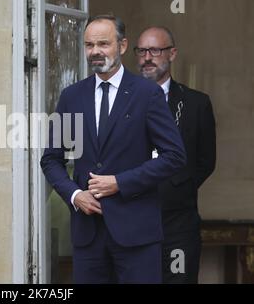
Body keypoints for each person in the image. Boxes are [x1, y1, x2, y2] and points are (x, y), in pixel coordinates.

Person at [40, 15, 186, 284]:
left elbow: (174, 156)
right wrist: (74, 195)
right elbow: (51, 159)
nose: (95, 51)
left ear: (121, 46)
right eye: (89, 45)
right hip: (88, 236)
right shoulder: (71, 96)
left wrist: (120, 182)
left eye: (103, 44)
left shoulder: (147, 93)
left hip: (137, 234)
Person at [135, 26, 216, 283]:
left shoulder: (196, 103)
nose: (147, 57)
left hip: (178, 224)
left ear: (172, 54)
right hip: (132, 223)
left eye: (155, 50)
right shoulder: (121, 101)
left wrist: (178, 186)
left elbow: (206, 160)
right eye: (142, 51)